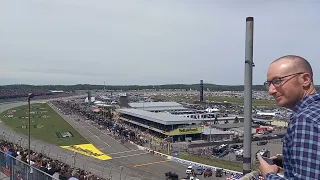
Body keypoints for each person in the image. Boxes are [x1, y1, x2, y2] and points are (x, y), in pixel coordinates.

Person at [258, 55, 320, 179]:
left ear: (305, 79)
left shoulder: (305, 121)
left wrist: (268, 174)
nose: (271, 90)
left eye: (277, 81)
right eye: (269, 83)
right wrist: (289, 161)